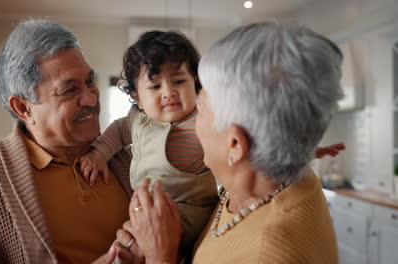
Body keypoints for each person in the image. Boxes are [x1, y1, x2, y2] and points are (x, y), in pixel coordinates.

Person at [109, 22, 343, 264]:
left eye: (200, 109)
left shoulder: (266, 255)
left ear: (235, 145)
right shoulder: (288, 179)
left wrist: (161, 255)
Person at [0, 19, 133, 263]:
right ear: (23, 107)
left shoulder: (125, 157)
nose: (90, 99)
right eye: (69, 90)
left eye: (89, 81)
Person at [79, 31, 220, 255]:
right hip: (146, 210)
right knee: (122, 247)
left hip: (192, 213)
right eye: (155, 87)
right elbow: (117, 130)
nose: (168, 92)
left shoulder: (202, 120)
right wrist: (98, 154)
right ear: (137, 98)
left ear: (196, 83)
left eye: (179, 81)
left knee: (133, 246)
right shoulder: (137, 120)